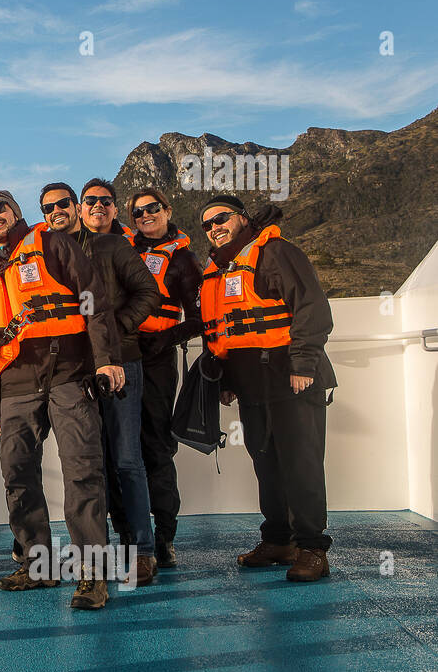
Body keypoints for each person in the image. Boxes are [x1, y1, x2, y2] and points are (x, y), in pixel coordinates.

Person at [0, 190, 124, 609]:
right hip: (14, 385)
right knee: (16, 472)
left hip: (68, 373)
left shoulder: (55, 244)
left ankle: (93, 574)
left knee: (81, 470)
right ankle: (37, 566)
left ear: (15, 212)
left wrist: (107, 360)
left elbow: (93, 300)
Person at [200, 196, 336, 582]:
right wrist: (227, 380)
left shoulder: (276, 253)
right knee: (266, 463)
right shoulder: (222, 270)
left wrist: (303, 364)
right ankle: (278, 539)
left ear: (242, 219)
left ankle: (312, 548)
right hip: (251, 383)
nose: (214, 227)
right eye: (207, 225)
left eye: (221, 218)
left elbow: (312, 308)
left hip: (292, 376)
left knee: (301, 464)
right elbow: (225, 332)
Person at [51, 179, 161, 585]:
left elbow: (149, 293)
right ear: (80, 208)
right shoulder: (49, 251)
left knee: (127, 460)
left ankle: (144, 551)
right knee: (91, 463)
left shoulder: (113, 246)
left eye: (105, 201)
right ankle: (103, 551)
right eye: (90, 200)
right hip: (75, 370)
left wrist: (114, 330)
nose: (97, 205)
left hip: (120, 364)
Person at [125, 188, 204, 568]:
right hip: (123, 357)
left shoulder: (184, 260)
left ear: (167, 210)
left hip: (157, 361)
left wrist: (164, 340)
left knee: (157, 448)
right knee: (124, 450)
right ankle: (131, 537)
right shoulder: (124, 250)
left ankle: (165, 537)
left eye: (152, 208)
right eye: (138, 212)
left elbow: (199, 317)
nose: (145, 215)